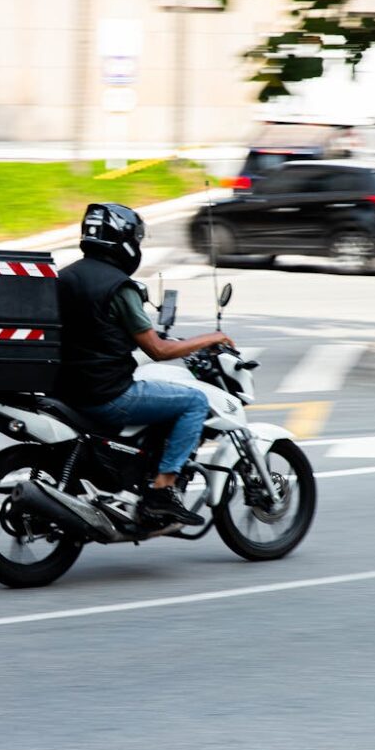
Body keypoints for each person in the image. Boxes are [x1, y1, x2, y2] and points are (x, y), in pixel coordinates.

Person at [57, 202, 235, 526]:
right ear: (123, 239)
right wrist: (211, 338)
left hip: (66, 390)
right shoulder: (120, 287)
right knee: (195, 401)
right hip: (107, 394)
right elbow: (158, 350)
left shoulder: (63, 277)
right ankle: (161, 493)